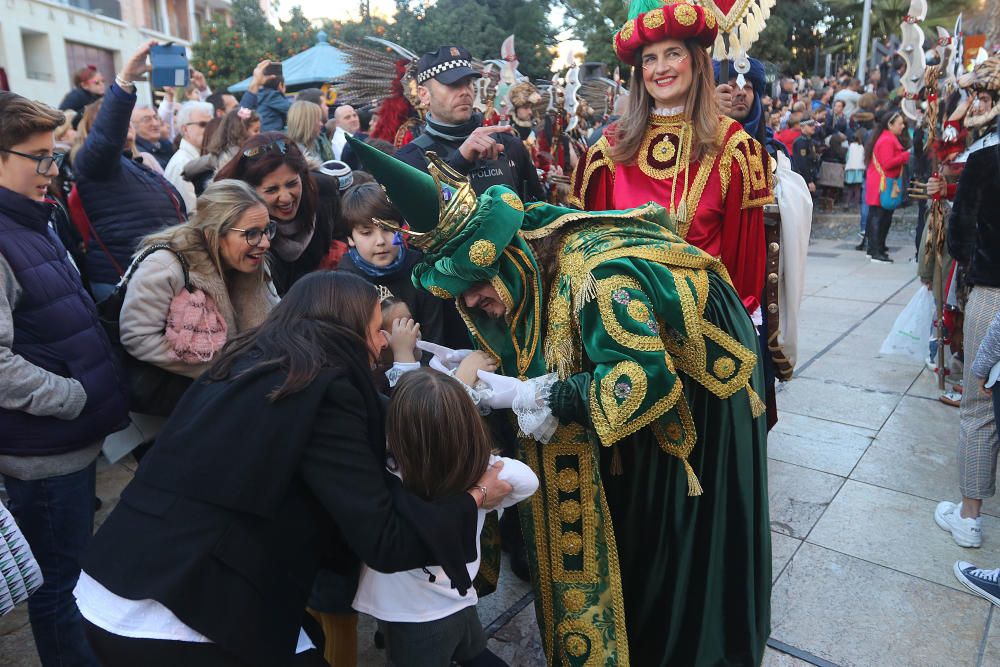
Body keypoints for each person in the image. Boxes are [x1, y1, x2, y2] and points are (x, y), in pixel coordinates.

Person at [350, 122, 770, 666]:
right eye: (461, 291)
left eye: (477, 284)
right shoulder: (527, 254)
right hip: (644, 368)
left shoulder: (599, 279)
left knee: (669, 528)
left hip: (700, 392)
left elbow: (642, 379)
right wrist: (493, 371)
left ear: (504, 255)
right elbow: (539, 337)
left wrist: (530, 393)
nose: (474, 302)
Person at [75, 271, 512, 666]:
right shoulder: (326, 390)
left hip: (114, 580)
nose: (382, 345)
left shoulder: (253, 361)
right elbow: (384, 539)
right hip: (180, 611)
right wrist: (474, 499)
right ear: (346, 327)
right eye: (376, 330)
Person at [0, 91, 128, 667]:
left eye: (55, 157)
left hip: (65, 446)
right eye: (40, 158)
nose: (53, 171)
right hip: (43, 454)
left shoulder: (32, 219)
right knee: (60, 590)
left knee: (71, 578)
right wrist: (71, 397)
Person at [571, 0, 772, 315]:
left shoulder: (733, 148)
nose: (660, 68)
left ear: (696, 61)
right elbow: (589, 254)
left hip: (704, 333)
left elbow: (742, 277)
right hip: (624, 331)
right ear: (641, 72)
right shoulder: (609, 149)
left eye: (673, 54)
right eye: (650, 59)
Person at [354, 368, 537, 667]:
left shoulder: (389, 474)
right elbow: (527, 481)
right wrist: (486, 478)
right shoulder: (477, 472)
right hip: (459, 595)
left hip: (411, 617)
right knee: (472, 651)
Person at [119, 179, 279, 416]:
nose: (265, 242)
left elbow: (275, 313)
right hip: (176, 400)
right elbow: (137, 335)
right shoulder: (166, 266)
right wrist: (217, 366)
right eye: (252, 233)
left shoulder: (251, 260)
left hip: (229, 390)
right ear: (213, 233)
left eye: (267, 230)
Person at [73, 42, 188, 301]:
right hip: (127, 284)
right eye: (115, 119)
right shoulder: (92, 163)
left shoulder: (136, 162)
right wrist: (125, 80)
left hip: (157, 277)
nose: (123, 123)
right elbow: (107, 137)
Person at [935, 132, 1000, 549]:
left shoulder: (986, 160)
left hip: (993, 294)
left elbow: (959, 238)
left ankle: (969, 517)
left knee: (979, 408)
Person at [394, 45, 544, 202]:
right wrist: (459, 163)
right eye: (453, 84)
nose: (465, 91)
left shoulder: (509, 145)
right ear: (424, 94)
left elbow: (541, 213)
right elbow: (420, 220)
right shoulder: (408, 161)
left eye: (468, 82)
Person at [337, 181, 465, 349]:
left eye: (388, 229)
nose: (380, 241)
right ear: (350, 238)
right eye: (367, 233)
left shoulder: (421, 271)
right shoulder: (342, 283)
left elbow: (434, 342)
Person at [215, 132, 337, 295]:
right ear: (248, 191)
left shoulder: (324, 194)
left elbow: (341, 234)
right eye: (272, 189)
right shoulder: (234, 229)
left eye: (292, 183)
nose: (286, 198)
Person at [863, 109, 910, 263]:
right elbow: (888, 163)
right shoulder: (887, 140)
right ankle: (877, 251)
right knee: (880, 217)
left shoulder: (884, 138)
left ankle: (874, 248)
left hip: (879, 182)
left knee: (878, 216)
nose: (902, 126)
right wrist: (906, 155)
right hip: (882, 184)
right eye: (900, 124)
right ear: (890, 125)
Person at [163, 101, 214, 212]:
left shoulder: (206, 158)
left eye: (212, 125)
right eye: (203, 124)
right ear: (185, 129)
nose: (210, 130)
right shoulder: (181, 164)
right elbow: (189, 214)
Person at [239, 59, 292, 132]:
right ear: (280, 85)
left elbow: (242, 112)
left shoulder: (258, 95)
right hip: (270, 136)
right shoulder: (274, 96)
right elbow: (292, 110)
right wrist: (282, 95)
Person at [131, 104, 175, 169]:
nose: (155, 123)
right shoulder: (138, 155)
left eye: (156, 118)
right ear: (133, 126)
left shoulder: (166, 144)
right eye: (147, 120)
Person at [791, 117, 819, 193]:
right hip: (804, 178)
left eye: (813, 125)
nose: (813, 127)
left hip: (812, 175)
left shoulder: (809, 140)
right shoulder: (800, 142)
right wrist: (809, 181)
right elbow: (802, 163)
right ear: (802, 127)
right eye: (810, 125)